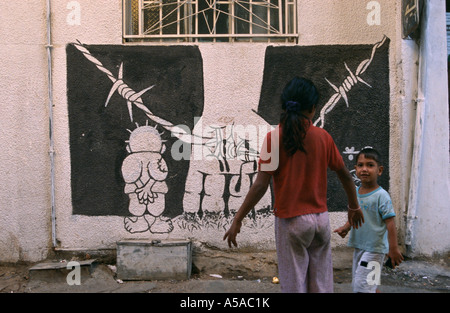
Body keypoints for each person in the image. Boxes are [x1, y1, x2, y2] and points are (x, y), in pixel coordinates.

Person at [223, 76, 364, 293]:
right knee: (322, 285)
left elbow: (260, 186)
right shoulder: (323, 137)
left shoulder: (273, 138)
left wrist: (238, 219)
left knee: (294, 286)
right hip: (321, 221)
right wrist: (354, 207)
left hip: (292, 223)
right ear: (313, 108)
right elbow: (345, 174)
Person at [334, 147, 403, 293]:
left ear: (379, 170)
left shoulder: (381, 196)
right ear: (355, 168)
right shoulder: (356, 192)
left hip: (375, 249)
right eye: (360, 165)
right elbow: (355, 215)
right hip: (360, 245)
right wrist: (346, 227)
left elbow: (390, 223)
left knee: (361, 286)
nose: (364, 169)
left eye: (370, 165)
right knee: (369, 285)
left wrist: (393, 248)